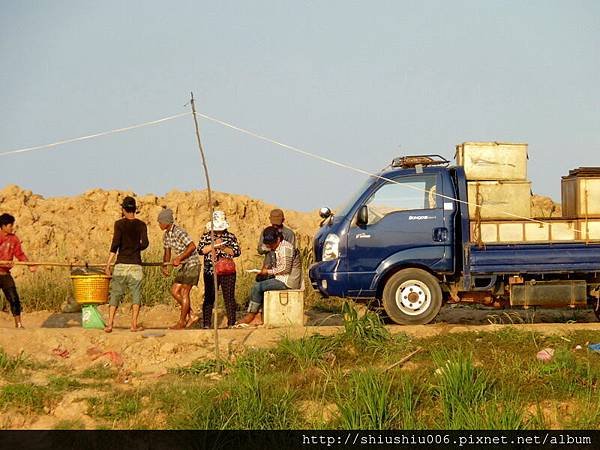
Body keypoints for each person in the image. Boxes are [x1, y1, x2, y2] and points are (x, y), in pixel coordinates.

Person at [239, 226, 301, 325]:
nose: (270, 246)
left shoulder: (286, 248)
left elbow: (285, 269)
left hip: (287, 281)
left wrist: (267, 272)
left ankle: (251, 314)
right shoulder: (279, 247)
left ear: (278, 239)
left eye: (272, 243)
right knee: (260, 281)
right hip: (281, 278)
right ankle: (258, 315)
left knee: (258, 287)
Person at [104, 196, 149, 333]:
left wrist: (108, 264)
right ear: (135, 210)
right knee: (136, 294)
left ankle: (110, 324)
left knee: (116, 294)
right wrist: (136, 248)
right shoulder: (141, 225)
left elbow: (115, 245)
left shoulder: (119, 224)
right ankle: (133, 324)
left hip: (121, 264)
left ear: (123, 209)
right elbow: (146, 243)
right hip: (135, 265)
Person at [158, 207, 201, 330]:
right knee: (174, 291)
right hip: (184, 265)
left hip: (192, 264)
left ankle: (182, 321)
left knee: (184, 292)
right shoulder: (167, 235)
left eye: (160, 222)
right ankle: (191, 314)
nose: (159, 224)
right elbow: (167, 252)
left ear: (166, 222)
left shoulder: (179, 232)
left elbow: (192, 246)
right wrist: (165, 265)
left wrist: (179, 258)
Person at [198, 211, 241, 328]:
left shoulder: (231, 237)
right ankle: (206, 323)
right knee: (209, 297)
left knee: (229, 297)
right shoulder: (206, 236)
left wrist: (223, 247)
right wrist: (213, 246)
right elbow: (200, 250)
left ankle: (231, 322)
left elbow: (236, 252)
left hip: (227, 271)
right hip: (210, 271)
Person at [0, 213, 36, 328]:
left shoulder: (14, 239)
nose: (12, 227)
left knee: (14, 298)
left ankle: (18, 324)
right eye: (10, 225)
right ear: (3, 226)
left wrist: (29, 264)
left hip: (5, 274)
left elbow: (19, 254)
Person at [256, 208, 296, 280]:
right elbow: (260, 250)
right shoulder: (266, 232)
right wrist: (270, 246)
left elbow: (291, 252)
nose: (275, 226)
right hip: (268, 267)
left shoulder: (289, 234)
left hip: (282, 271)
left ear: (283, 220)